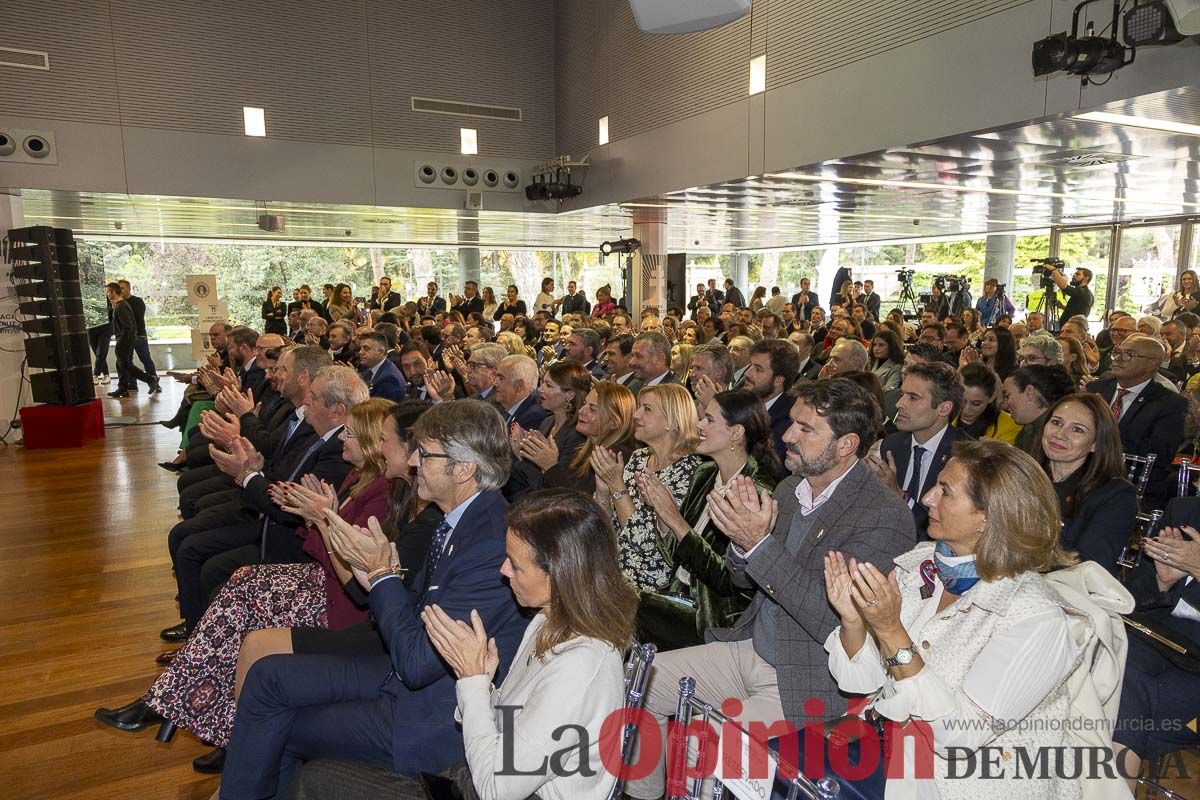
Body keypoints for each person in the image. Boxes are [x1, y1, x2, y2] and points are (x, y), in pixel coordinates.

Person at [216, 399, 529, 798]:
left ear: (464, 468)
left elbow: (417, 663)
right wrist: (376, 573)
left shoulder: (487, 544)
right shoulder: (461, 519)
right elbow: (414, 614)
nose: (414, 460)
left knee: (279, 722)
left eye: (426, 453)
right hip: (398, 673)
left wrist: (381, 575)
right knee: (267, 676)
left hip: (428, 717)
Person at [624, 379, 917, 800]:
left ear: (847, 443)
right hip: (753, 644)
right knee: (643, 684)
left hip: (809, 676)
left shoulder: (882, 518)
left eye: (805, 429)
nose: (787, 435)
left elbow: (830, 623)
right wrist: (745, 545)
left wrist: (757, 544)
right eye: (792, 423)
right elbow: (744, 579)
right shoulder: (788, 490)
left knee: (704, 747)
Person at [94, 400, 412, 765]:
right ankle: (192, 710)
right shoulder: (360, 478)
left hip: (337, 601)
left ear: (375, 443)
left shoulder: (380, 492)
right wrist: (320, 516)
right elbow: (325, 548)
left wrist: (323, 519)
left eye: (353, 435)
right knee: (240, 582)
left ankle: (192, 715)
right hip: (325, 581)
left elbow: (350, 576)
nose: (344, 440)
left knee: (243, 603)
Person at [289, 488, 638, 800]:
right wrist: (482, 682)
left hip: (491, 785)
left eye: (515, 566)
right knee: (318, 774)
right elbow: (516, 723)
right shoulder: (549, 619)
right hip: (479, 775)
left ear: (561, 573)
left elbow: (496, 789)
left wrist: (471, 680)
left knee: (314, 781)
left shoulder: (580, 665)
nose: (503, 571)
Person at [824, 439, 1094, 800]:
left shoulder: (1036, 619)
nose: (927, 498)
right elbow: (863, 681)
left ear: (988, 517)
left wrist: (892, 630)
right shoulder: (922, 568)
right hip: (893, 756)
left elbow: (957, 737)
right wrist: (854, 621)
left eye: (945, 492)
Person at [635, 390, 780, 649]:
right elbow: (675, 555)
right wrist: (661, 510)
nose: (699, 425)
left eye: (709, 420)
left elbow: (727, 581)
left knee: (623, 602)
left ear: (736, 433)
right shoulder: (704, 473)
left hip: (714, 616)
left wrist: (673, 517)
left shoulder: (754, 492)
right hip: (677, 595)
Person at [1113, 496, 1200, 785]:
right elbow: (1134, 596)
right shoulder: (1185, 511)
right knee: (1115, 667)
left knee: (1104, 705)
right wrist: (1163, 581)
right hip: (1155, 640)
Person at [592, 384, 703, 592]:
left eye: (647, 409)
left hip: (651, 587)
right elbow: (605, 525)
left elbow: (646, 546)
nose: (635, 415)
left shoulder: (690, 471)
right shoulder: (639, 458)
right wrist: (604, 493)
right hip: (613, 572)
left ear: (672, 421)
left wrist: (617, 486)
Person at [1031, 393, 1137, 575]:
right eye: (1056, 422)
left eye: (1077, 430)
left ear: (1095, 444)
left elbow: (1089, 567)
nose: (1060, 434)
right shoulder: (1021, 475)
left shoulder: (1115, 495)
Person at [870, 360, 973, 536]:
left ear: (943, 408)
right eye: (903, 394)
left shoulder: (967, 458)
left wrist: (899, 496)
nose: (899, 404)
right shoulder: (890, 445)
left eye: (913, 397)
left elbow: (949, 531)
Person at [1086, 334, 1188, 505]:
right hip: (1084, 477)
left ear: (1152, 364)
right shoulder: (1096, 389)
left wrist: (1108, 427)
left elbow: (1158, 455)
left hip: (1132, 488)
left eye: (1129, 355)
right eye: (1118, 352)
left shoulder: (1169, 403)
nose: (1118, 358)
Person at [508, 361, 590, 495]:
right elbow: (531, 479)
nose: (540, 389)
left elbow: (558, 487)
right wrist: (521, 454)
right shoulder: (547, 421)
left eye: (549, 385)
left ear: (570, 394)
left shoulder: (578, 435)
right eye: (542, 382)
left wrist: (523, 459)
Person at [1004, 364, 1076, 455]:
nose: (1005, 404)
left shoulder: (1051, 436)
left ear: (1029, 393)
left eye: (1007, 396)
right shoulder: (1029, 430)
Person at [105, 282, 160, 398]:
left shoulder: (122, 306)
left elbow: (129, 326)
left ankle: (150, 380)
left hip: (125, 340)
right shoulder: (119, 305)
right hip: (124, 339)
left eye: (109, 291)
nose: (107, 294)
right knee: (121, 364)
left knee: (126, 364)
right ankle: (123, 388)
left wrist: (123, 341)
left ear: (114, 292)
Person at [954, 363, 1022, 443]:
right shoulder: (944, 415)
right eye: (961, 400)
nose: (966, 409)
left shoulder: (1010, 426)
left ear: (992, 397)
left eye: (976, 404)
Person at [357, 332, 407, 402]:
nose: (360, 352)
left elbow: (377, 410)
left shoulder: (389, 379)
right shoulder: (371, 370)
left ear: (380, 352)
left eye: (366, 348)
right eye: (361, 348)